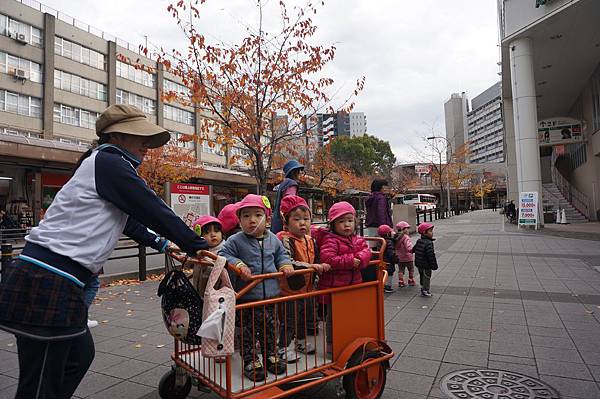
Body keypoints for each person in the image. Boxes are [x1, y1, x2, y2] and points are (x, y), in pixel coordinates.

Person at [0, 104, 209, 399]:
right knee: (41, 380)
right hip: (48, 277)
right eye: (141, 138)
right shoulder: (109, 162)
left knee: (78, 356)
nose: (147, 147)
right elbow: (150, 207)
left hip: (57, 279)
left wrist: (166, 245)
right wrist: (197, 244)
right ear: (117, 137)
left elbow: (131, 222)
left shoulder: (104, 165)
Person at [219, 194, 293, 381]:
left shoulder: (274, 240)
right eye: (246, 216)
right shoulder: (235, 240)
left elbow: (281, 255)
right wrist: (239, 265)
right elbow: (223, 254)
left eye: (257, 215)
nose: (252, 220)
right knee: (247, 333)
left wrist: (285, 265)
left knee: (270, 329)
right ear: (239, 220)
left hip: (270, 297)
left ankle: (271, 355)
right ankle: (250, 361)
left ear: (267, 218)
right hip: (246, 297)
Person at [276, 195, 330, 362]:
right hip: (290, 290)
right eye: (297, 219)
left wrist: (321, 265)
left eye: (306, 219)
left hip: (308, 288)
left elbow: (317, 258)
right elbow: (288, 261)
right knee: (289, 320)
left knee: (304, 318)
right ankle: (284, 348)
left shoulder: (310, 239)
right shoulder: (284, 239)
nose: (302, 223)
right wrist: (312, 267)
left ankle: (299, 342)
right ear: (286, 221)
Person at [318, 201, 372, 349]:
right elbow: (328, 258)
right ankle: (331, 343)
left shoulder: (358, 239)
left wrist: (360, 258)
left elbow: (366, 251)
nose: (347, 225)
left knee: (351, 314)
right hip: (335, 287)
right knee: (333, 318)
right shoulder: (330, 239)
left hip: (353, 285)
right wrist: (350, 260)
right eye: (341, 221)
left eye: (350, 221)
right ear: (333, 224)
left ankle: (349, 339)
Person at [191, 215, 226, 297]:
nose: (213, 234)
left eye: (216, 231)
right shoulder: (200, 250)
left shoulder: (225, 250)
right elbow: (188, 264)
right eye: (207, 232)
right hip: (199, 290)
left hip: (217, 293)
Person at [271, 160, 304, 234]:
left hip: (277, 223)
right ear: (293, 172)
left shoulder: (283, 184)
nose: (300, 174)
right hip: (285, 226)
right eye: (298, 171)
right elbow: (289, 203)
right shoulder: (291, 184)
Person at [413, 222, 438, 297]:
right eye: (430, 231)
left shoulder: (419, 241)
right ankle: (425, 290)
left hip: (419, 263)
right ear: (424, 233)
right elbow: (431, 255)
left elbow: (414, 249)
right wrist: (434, 265)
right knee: (427, 276)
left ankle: (422, 287)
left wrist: (410, 251)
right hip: (426, 264)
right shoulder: (429, 243)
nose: (432, 233)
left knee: (422, 275)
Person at [395, 221, 415, 288]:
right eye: (407, 228)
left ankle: (401, 281)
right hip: (407, 256)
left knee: (401, 270)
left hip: (400, 258)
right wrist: (412, 250)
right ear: (403, 229)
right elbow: (408, 246)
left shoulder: (396, 237)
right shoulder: (406, 237)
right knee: (411, 269)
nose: (408, 230)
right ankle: (411, 279)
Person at [376, 224, 396, 293]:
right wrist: (395, 259)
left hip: (383, 259)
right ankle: (387, 286)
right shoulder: (389, 241)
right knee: (390, 273)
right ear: (388, 233)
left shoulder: (380, 241)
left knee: (383, 273)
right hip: (388, 260)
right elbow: (391, 252)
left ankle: (382, 285)